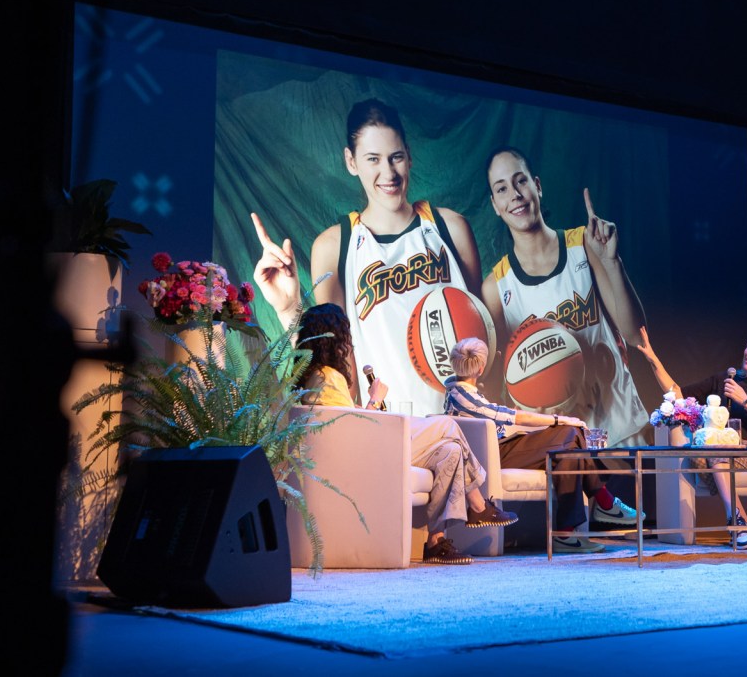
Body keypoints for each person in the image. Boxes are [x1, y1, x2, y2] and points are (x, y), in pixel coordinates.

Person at [252, 97, 483, 416]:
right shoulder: (335, 245)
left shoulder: (450, 228)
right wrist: (289, 307)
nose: (388, 172)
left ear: (410, 157)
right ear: (351, 161)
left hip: (462, 419)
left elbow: (485, 335)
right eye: (373, 159)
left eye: (396, 157)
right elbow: (332, 361)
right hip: (387, 429)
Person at [297, 303, 517, 565]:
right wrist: (375, 401)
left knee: (451, 451)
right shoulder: (328, 377)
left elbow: (342, 419)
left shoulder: (315, 375)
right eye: (345, 335)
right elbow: (354, 429)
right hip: (370, 452)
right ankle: (479, 505)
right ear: (334, 339)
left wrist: (366, 405)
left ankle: (436, 541)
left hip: (369, 446)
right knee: (448, 425)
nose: (348, 344)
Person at [481, 146, 649, 447]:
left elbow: (634, 335)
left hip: (623, 434)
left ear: (538, 186)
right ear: (495, 205)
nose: (515, 195)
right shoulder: (496, 287)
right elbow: (502, 387)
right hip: (558, 448)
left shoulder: (583, 243)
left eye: (521, 181)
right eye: (502, 189)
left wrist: (612, 263)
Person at [444, 337, 644, 554]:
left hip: (501, 448)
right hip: (494, 455)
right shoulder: (462, 396)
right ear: (481, 368)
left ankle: (568, 532)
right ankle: (604, 502)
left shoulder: (460, 393)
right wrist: (560, 419)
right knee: (571, 432)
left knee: (568, 449)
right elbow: (514, 417)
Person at [636, 329, 747, 550]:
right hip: (717, 448)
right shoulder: (725, 380)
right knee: (702, 453)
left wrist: (745, 401)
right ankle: (743, 525)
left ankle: (737, 523)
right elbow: (678, 393)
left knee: (715, 454)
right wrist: (653, 359)